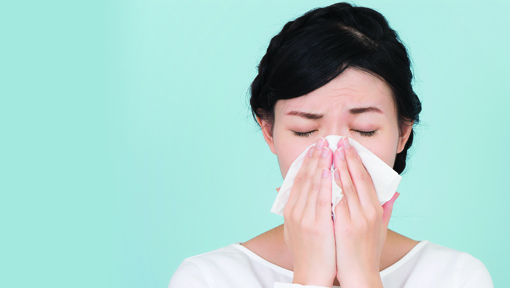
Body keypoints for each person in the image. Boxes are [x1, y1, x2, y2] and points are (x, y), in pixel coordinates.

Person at [168, 2, 493, 287]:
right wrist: (309, 279)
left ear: (403, 133)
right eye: (305, 129)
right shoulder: (208, 279)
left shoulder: (456, 277)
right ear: (269, 132)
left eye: (364, 130)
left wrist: (363, 278)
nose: (336, 155)